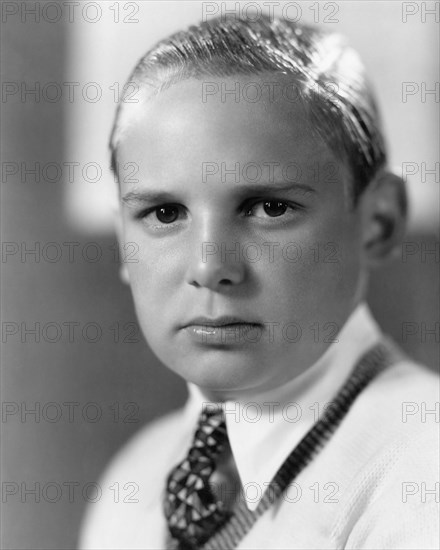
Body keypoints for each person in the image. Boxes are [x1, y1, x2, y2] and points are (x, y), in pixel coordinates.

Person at [79, 14, 439, 550]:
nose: (209, 266)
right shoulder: (134, 481)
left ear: (379, 222)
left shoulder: (419, 471)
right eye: (164, 213)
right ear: (123, 244)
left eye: (269, 208)